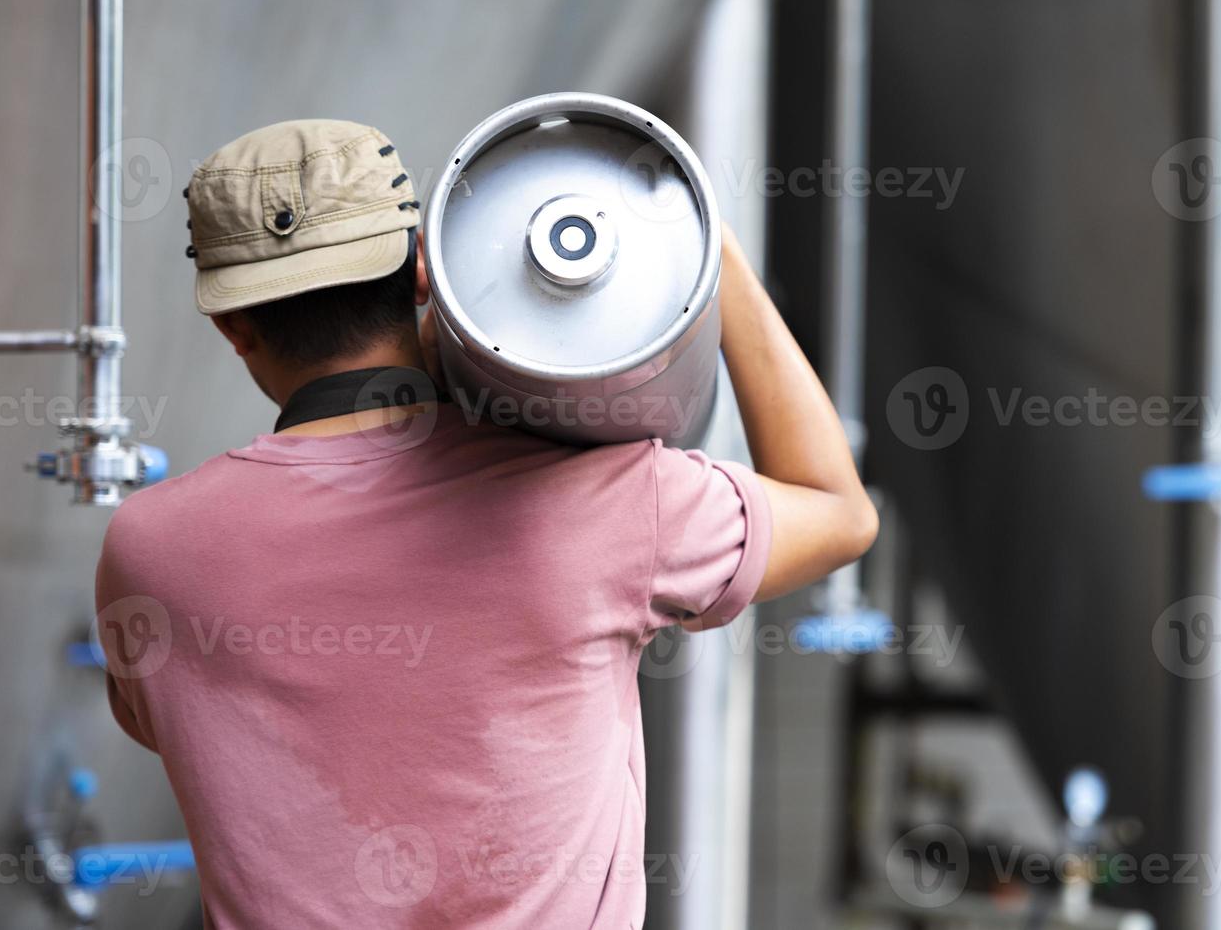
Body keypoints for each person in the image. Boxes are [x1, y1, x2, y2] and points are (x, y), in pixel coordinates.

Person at [95, 119, 876, 928]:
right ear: (426, 271)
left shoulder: (150, 550)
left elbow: (187, 734)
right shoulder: (610, 501)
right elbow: (839, 512)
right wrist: (714, 260)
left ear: (234, 326)